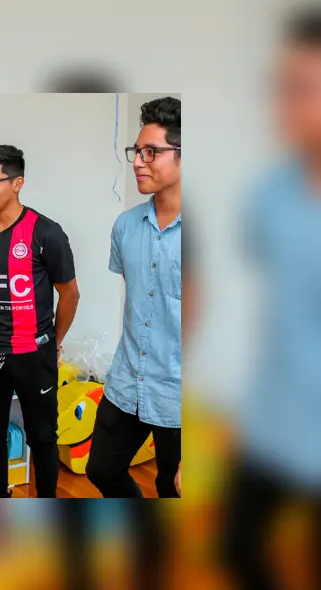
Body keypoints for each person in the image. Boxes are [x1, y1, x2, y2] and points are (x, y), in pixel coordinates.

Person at [224, 8, 321, 588]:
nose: (285, 105)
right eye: (281, 88)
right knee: (238, 546)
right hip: (275, 419)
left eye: (301, 89)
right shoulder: (271, 196)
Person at [0, 145, 80, 498]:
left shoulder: (47, 233)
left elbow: (70, 294)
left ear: (17, 183)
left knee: (43, 437)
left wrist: (52, 342)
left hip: (33, 354)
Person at [85, 97, 182, 498]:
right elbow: (142, 297)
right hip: (128, 381)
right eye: (136, 151)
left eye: (151, 152)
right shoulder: (126, 226)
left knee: (172, 486)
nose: (138, 161)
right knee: (101, 470)